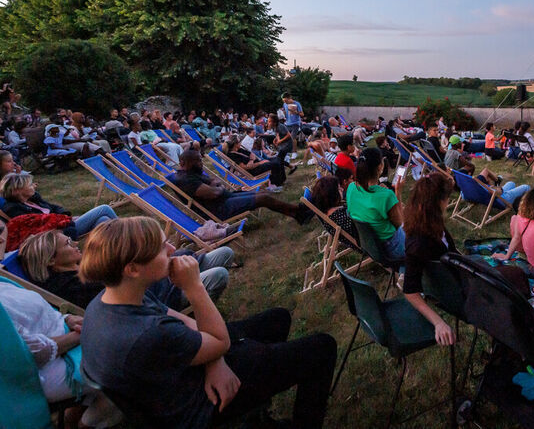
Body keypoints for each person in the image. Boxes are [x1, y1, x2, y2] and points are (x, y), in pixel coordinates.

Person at [79, 216, 337, 428]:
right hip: (199, 404)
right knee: (322, 348)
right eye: (161, 248)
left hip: (182, 372)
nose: (172, 250)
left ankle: (257, 410)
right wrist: (194, 286)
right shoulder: (145, 335)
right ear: (133, 269)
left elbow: (184, 321)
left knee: (277, 319)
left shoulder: (109, 300)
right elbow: (219, 341)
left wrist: (215, 358)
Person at [0, 274, 122, 428]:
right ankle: (84, 425)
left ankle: (72, 420)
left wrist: (67, 318)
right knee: (125, 367)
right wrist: (81, 334)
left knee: (123, 345)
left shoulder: (2, 282)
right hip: (35, 375)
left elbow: (36, 313)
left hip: (62, 340)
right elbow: (26, 353)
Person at [19, 230, 233, 310]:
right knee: (219, 275)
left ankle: (195, 280)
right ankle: (200, 312)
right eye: (67, 244)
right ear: (50, 260)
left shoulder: (84, 267)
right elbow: (131, 295)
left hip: (158, 279)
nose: (75, 243)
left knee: (224, 253)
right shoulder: (74, 286)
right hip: (159, 297)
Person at [166, 150, 308, 224]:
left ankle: (296, 214)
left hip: (225, 198)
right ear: (184, 163)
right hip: (219, 209)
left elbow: (214, 182)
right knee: (264, 198)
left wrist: (217, 187)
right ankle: (299, 212)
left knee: (263, 193)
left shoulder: (191, 173)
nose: (201, 164)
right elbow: (214, 192)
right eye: (198, 161)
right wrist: (218, 188)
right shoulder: (186, 180)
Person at [402, 173, 458, 345]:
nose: (447, 203)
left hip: (458, 273)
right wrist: (438, 322)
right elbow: (410, 292)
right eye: (446, 199)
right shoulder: (418, 243)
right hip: (456, 288)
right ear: (437, 203)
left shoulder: (428, 222)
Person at [1, 172, 117, 242]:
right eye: (30, 185)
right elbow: (40, 226)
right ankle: (126, 234)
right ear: (17, 190)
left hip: (64, 223)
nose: (34, 186)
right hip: (56, 234)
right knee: (104, 209)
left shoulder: (33, 199)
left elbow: (55, 208)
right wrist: (66, 220)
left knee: (104, 220)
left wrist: (66, 216)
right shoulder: (13, 209)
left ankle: (111, 251)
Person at [345, 147, 405, 260]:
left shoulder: (351, 187)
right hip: (392, 247)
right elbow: (400, 223)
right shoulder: (386, 196)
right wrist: (398, 192)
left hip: (370, 245)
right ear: (380, 167)